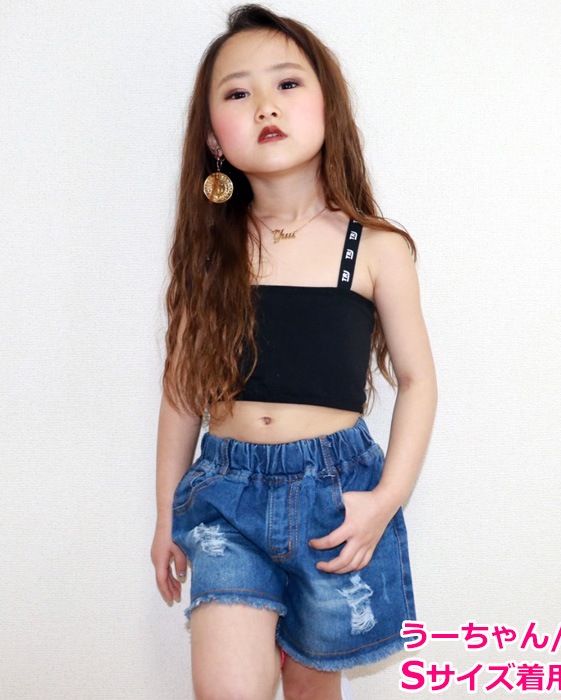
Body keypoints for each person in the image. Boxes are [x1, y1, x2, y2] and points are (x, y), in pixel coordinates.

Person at [150, 4, 437, 699]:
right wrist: (165, 516)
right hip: (226, 497)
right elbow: (182, 395)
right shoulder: (208, 254)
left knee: (313, 689)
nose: (265, 106)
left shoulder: (376, 248)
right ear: (213, 137)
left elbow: (419, 381)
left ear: (327, 107)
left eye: (286, 83)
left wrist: (386, 499)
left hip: (334, 500)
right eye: (237, 93)